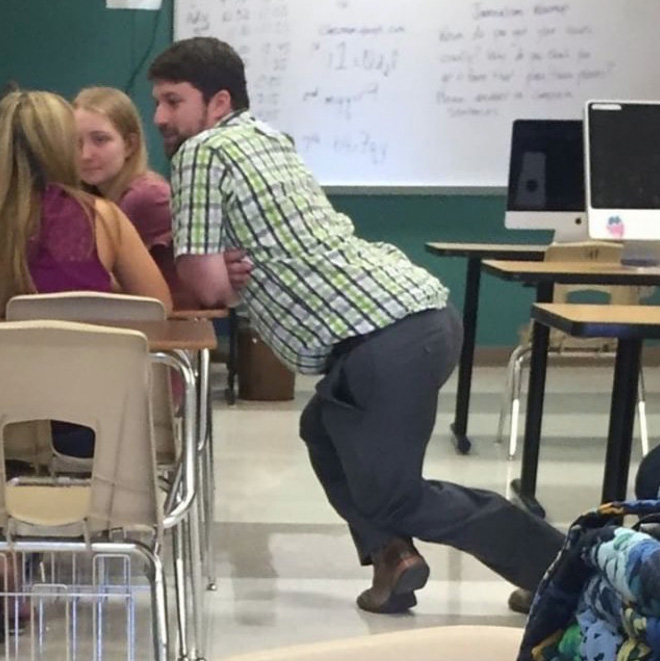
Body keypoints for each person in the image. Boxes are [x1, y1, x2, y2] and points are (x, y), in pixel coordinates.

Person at [148, 37, 565, 615]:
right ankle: (394, 558)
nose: (159, 117)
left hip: (383, 341)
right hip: (413, 321)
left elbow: (208, 285)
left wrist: (220, 270)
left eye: (173, 101)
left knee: (398, 496)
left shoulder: (201, 152)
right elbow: (225, 269)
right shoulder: (266, 138)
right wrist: (223, 266)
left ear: (218, 102)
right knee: (323, 429)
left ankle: (564, 569)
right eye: (158, 102)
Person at [0, 89, 173, 457]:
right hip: (96, 429)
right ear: (66, 146)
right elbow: (159, 307)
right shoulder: (102, 217)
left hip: (8, 429)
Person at [73, 86, 197, 309]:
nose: (86, 155)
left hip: (176, 322)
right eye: (76, 142)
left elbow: (96, 280)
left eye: (100, 140)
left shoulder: (144, 197)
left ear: (130, 145)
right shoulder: (101, 198)